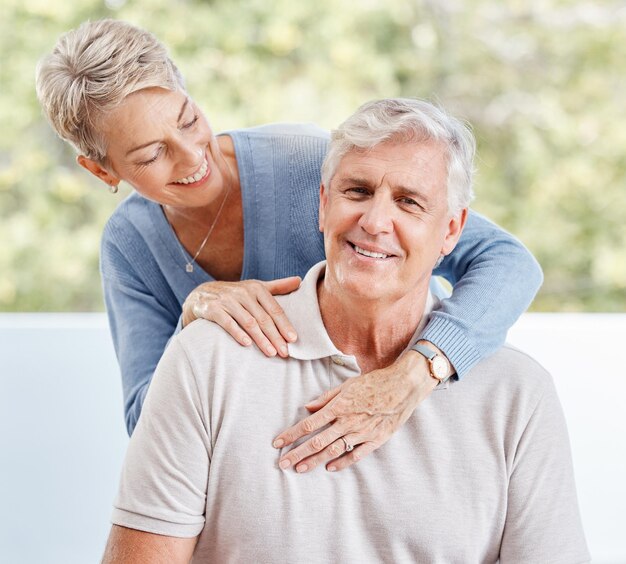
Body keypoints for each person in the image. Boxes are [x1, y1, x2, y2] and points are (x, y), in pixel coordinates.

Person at [36, 20, 543, 470]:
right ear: (102, 170)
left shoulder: (307, 164)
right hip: (266, 473)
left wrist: (416, 371)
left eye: (189, 120)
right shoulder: (131, 246)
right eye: (151, 155)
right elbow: (145, 423)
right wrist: (190, 318)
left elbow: (507, 262)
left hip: (394, 444)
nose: (193, 155)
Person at [102, 98, 589, 563]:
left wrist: (415, 372)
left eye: (409, 202)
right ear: (322, 204)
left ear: (451, 231)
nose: (376, 221)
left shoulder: (517, 397)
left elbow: (512, 263)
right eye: (357, 192)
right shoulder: (205, 360)